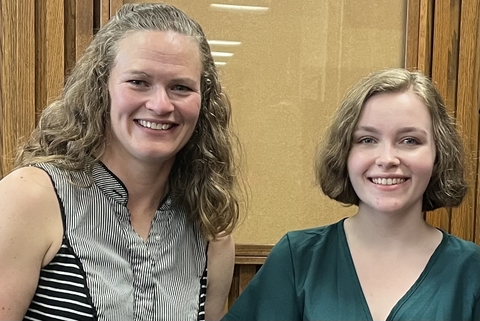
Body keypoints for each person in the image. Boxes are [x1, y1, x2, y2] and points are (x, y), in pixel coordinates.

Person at [0, 3, 242, 321]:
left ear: (204, 102)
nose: (160, 104)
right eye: (139, 82)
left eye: (180, 87)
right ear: (102, 88)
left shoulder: (211, 232)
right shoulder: (29, 198)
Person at [222, 68, 480, 321]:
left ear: (438, 155)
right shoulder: (298, 258)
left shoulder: (472, 271)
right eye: (367, 140)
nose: (387, 159)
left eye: (409, 140)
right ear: (345, 153)